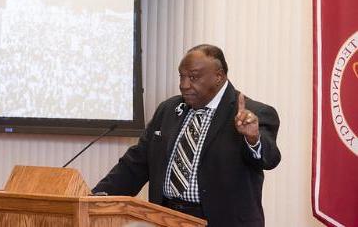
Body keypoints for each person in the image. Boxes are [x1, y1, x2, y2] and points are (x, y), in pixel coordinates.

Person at [93, 44, 281, 227]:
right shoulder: (168, 110)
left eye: (193, 77)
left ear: (218, 76)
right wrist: (96, 198)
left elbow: (269, 159)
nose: (183, 85)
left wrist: (253, 139)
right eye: (181, 77)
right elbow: (135, 164)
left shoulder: (253, 113)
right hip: (164, 217)